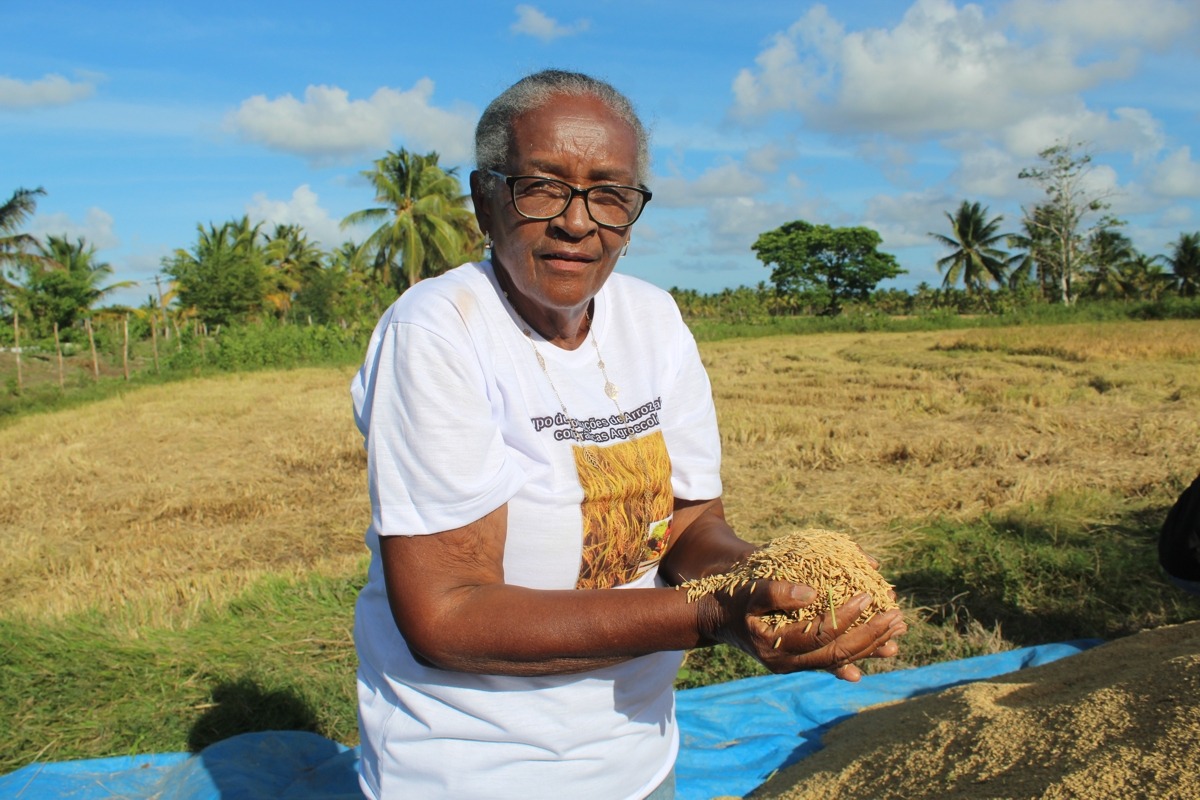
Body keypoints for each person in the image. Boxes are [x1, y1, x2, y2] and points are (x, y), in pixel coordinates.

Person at [349, 69, 906, 800]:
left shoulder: (651, 319)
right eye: (543, 186)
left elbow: (691, 528)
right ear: (486, 201)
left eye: (610, 195)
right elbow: (447, 615)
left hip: (637, 760)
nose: (579, 222)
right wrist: (715, 614)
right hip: (475, 769)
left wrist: (779, 582)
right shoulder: (441, 331)